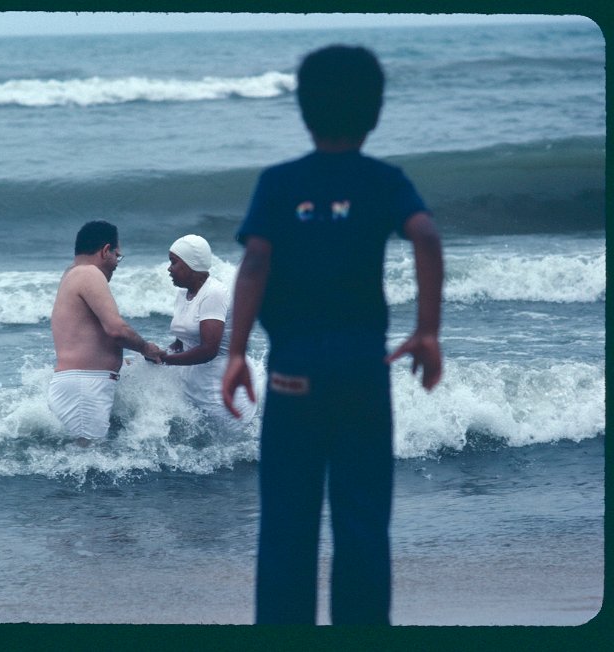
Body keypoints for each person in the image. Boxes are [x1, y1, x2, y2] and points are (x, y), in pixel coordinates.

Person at [222, 45, 444, 625]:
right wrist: (427, 332)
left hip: (294, 378)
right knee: (364, 526)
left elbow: (255, 265)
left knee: (286, 532)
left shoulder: (278, 182)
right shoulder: (385, 181)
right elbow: (426, 236)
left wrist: (238, 352)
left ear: (303, 110)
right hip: (363, 378)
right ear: (375, 112)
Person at [49, 221, 163, 446]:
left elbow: (87, 334)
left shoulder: (72, 274)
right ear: (105, 251)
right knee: (87, 467)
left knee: (84, 462)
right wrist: (146, 348)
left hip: (80, 384)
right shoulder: (89, 274)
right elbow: (116, 330)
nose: (116, 263)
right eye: (117, 256)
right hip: (84, 387)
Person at [158, 234, 256, 430]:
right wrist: (155, 354)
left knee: (230, 455)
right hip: (194, 390)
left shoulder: (214, 293)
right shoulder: (182, 294)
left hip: (219, 394)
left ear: (191, 264)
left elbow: (208, 350)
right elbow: (180, 344)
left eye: (174, 262)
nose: (169, 268)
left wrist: (165, 360)